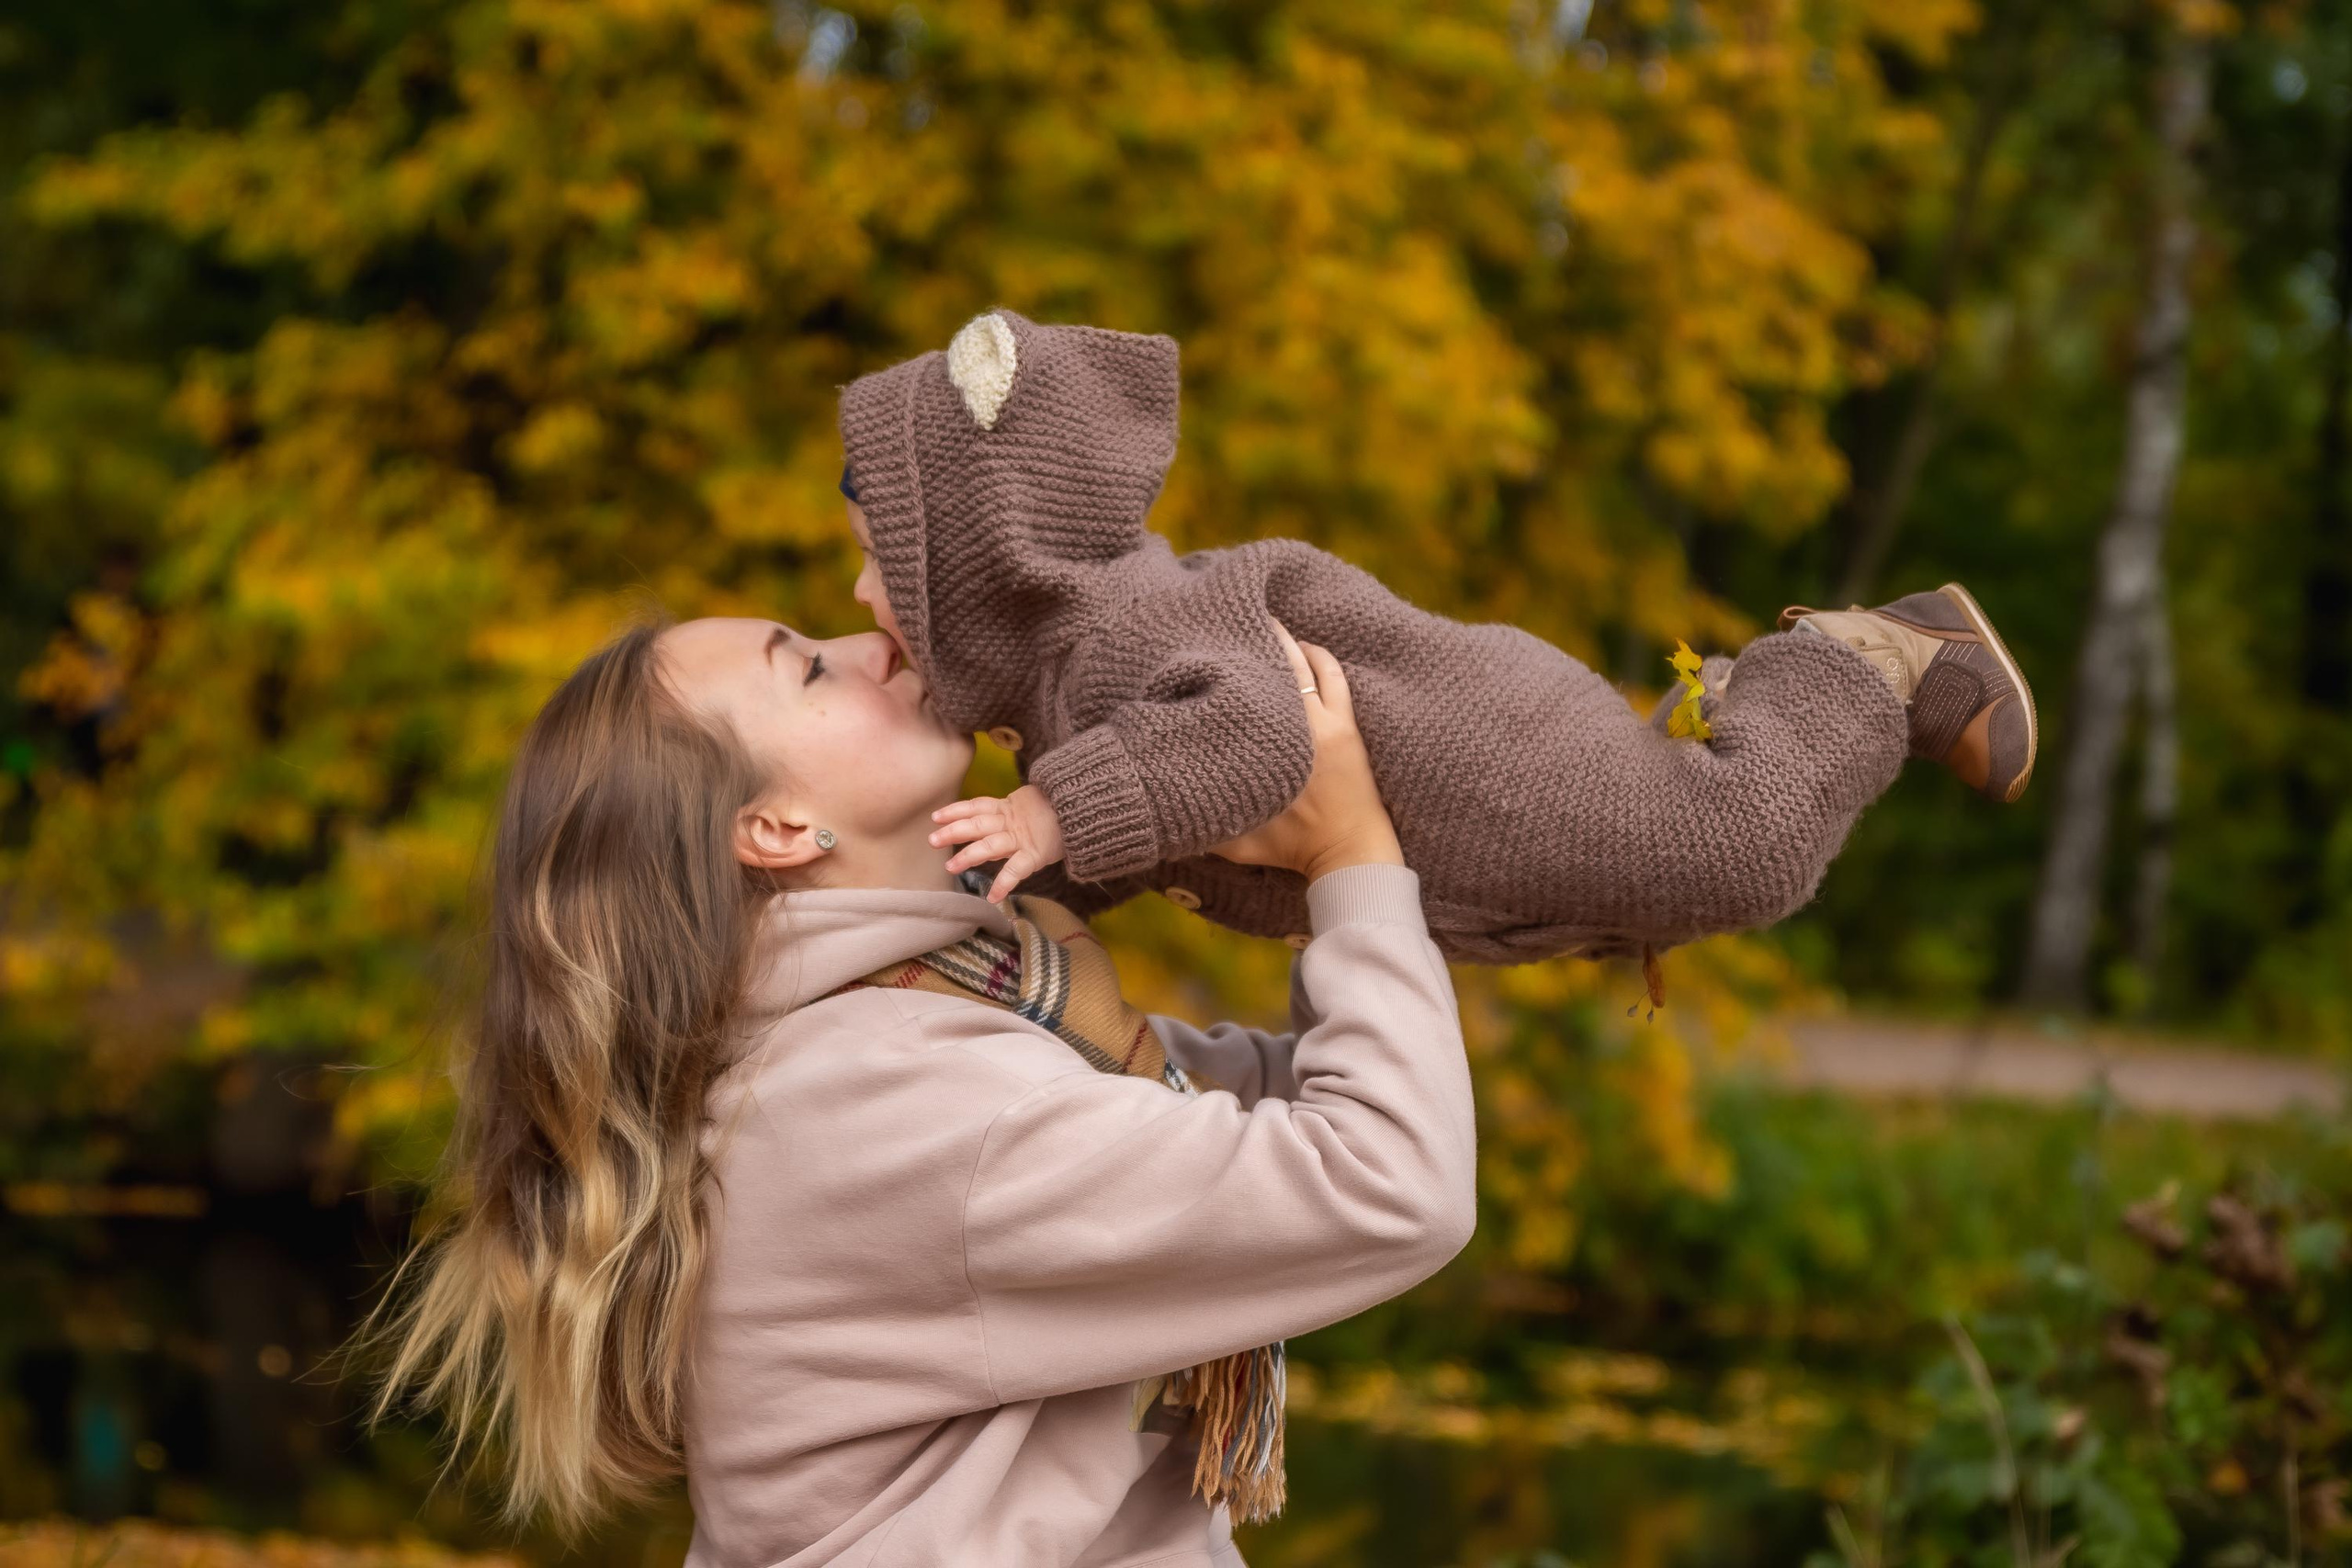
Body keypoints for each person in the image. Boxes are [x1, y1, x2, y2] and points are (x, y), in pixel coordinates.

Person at [362, 606, 1476, 1568]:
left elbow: (1288, 1103)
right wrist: (1350, 860)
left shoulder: (933, 1020)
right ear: (776, 829)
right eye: (805, 667)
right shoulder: (901, 1100)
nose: (872, 643)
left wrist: (1333, 874)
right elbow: (1389, 1178)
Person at [837, 308, 2038, 969]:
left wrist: (1045, 814)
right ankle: (1740, 715)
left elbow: (1252, 737)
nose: (860, 591)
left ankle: (1865, 657)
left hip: (1481, 743)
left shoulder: (1116, 636)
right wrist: (976, 896)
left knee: (1738, 848)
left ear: (989, 551)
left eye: (881, 561)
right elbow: (1133, 842)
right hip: (1475, 823)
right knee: (1686, 883)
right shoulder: (1067, 686)